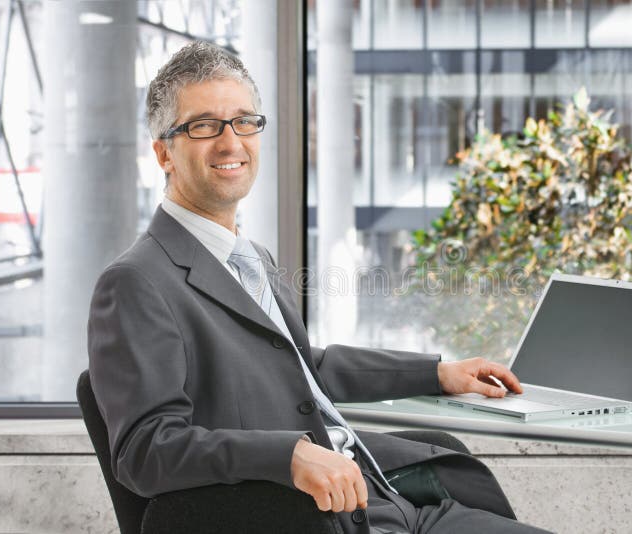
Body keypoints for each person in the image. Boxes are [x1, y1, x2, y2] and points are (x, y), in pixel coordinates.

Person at [88, 41, 549, 534]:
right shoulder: (136, 282)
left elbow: (304, 366)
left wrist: (438, 372)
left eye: (244, 121)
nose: (231, 142)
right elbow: (145, 450)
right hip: (306, 516)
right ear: (163, 152)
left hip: (385, 495)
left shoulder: (248, 257)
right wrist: (288, 455)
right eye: (203, 126)